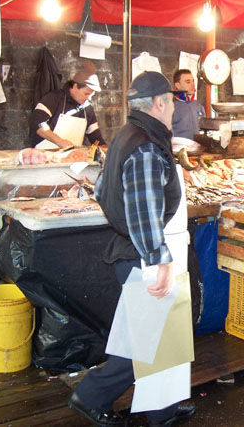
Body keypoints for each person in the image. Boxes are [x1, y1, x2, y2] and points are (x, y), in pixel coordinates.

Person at [68, 71, 196, 426]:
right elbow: (142, 213)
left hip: (134, 249)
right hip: (141, 254)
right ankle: (90, 396)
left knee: (157, 335)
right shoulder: (144, 146)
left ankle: (162, 408)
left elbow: (101, 188)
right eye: (170, 101)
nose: (173, 108)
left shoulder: (130, 134)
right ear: (158, 103)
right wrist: (159, 260)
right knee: (145, 342)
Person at [29, 65, 106, 149]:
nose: (89, 98)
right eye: (86, 94)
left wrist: (106, 150)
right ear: (75, 86)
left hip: (73, 157)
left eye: (92, 95)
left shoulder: (87, 109)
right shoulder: (54, 98)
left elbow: (95, 137)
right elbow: (38, 122)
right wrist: (59, 141)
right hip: (45, 155)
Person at [171, 69, 205, 140]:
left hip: (198, 148)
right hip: (179, 149)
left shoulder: (198, 106)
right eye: (188, 82)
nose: (192, 85)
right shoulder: (171, 107)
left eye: (193, 81)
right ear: (178, 85)